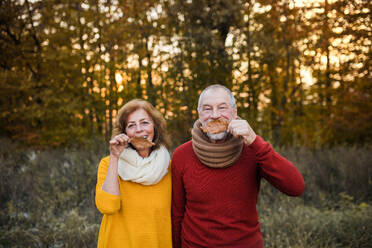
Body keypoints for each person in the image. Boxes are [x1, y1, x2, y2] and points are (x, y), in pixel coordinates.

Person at [171, 84, 305, 248]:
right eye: (207, 109)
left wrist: (254, 141)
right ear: (199, 114)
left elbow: (296, 187)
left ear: (234, 112)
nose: (214, 115)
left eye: (222, 107)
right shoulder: (182, 155)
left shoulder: (252, 148)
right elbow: (177, 214)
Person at [95, 99, 172, 248]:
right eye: (131, 125)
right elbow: (107, 206)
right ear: (124, 133)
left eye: (145, 123)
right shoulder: (109, 163)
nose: (139, 130)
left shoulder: (169, 168)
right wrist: (115, 157)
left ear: (155, 127)